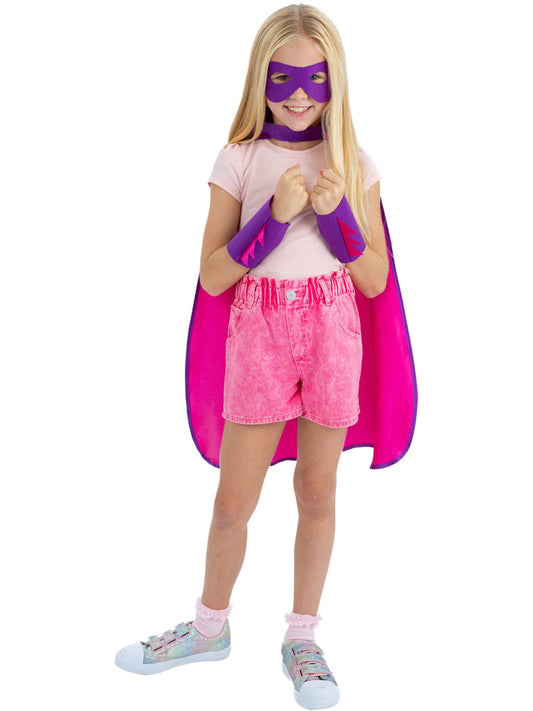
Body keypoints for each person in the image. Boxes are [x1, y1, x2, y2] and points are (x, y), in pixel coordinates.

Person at [115, 5, 416, 709]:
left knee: (317, 492)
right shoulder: (238, 160)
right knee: (232, 499)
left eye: (314, 78)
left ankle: (301, 638)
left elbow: (374, 280)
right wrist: (273, 219)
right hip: (259, 336)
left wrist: (338, 218)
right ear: (261, 79)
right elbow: (213, 274)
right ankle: (208, 627)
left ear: (336, 81)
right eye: (283, 78)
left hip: (333, 333)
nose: (299, 95)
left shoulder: (355, 163)